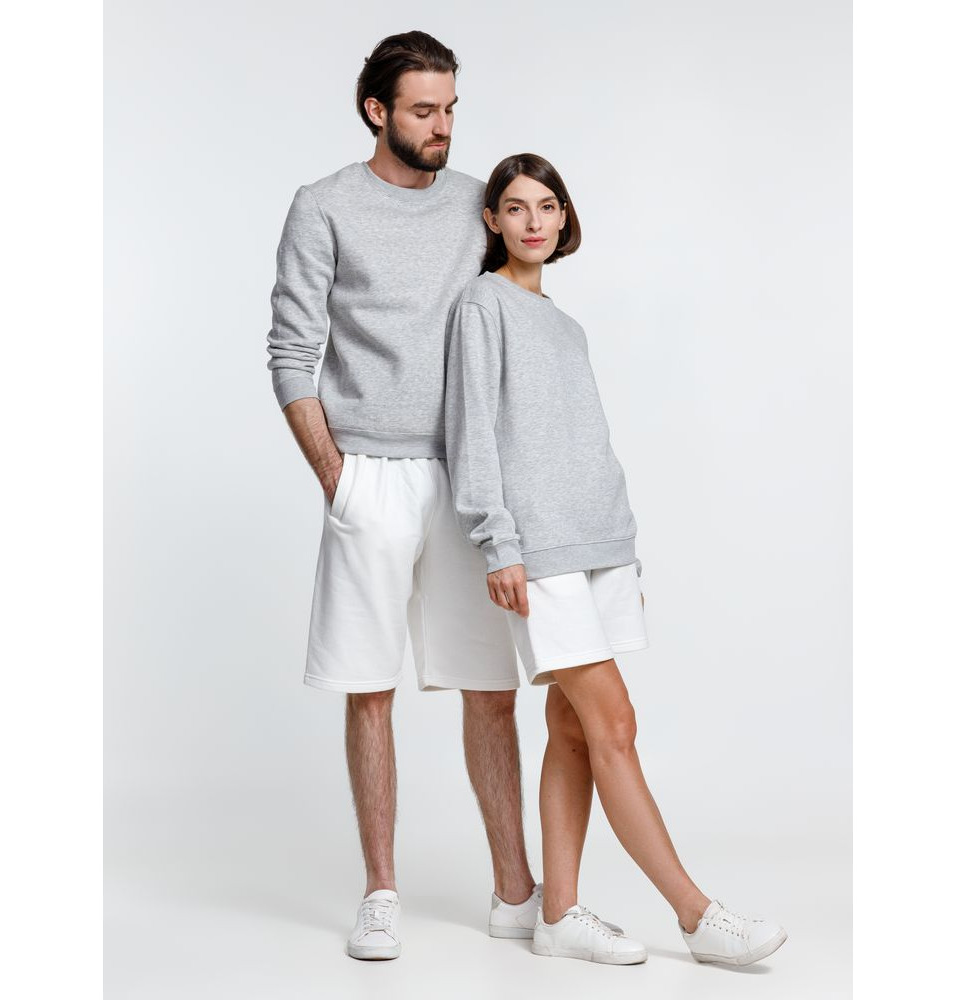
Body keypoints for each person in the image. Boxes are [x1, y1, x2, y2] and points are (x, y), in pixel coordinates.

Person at [444, 153, 788, 967]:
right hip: (540, 552)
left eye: (547, 205)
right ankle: (697, 917)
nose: (533, 221)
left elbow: (585, 445)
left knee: (571, 728)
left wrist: (622, 552)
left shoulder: (565, 326)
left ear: (564, 217)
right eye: (516, 207)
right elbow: (473, 431)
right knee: (616, 725)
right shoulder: (482, 305)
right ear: (492, 220)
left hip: (599, 546)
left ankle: (557, 915)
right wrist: (499, 542)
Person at [266, 33, 542, 961]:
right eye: (424, 110)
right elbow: (291, 351)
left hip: (467, 477)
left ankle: (515, 891)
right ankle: (381, 892)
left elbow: (517, 317)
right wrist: (337, 477)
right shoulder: (323, 206)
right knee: (370, 689)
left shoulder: (477, 206)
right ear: (376, 110)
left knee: (491, 690)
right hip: (369, 477)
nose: (443, 126)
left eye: (451, 108)